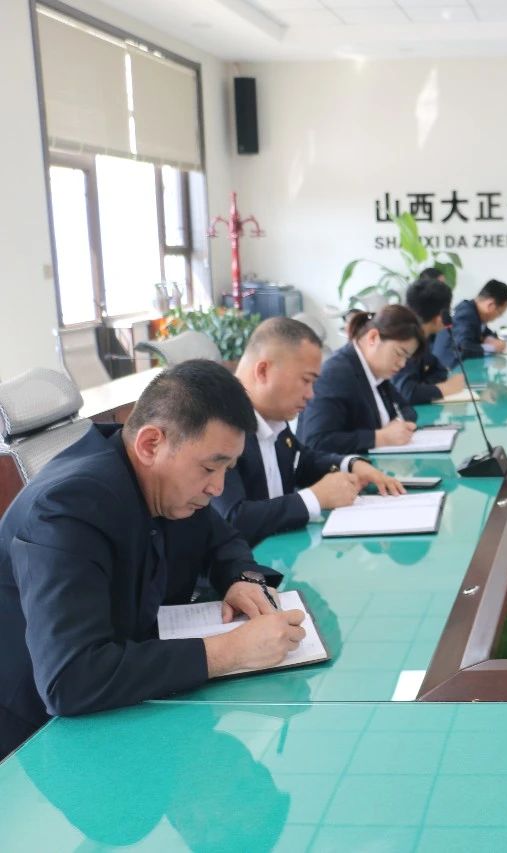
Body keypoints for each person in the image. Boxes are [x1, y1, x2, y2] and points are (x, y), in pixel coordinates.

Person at [0, 361, 307, 757]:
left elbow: (222, 540)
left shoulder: (167, 482)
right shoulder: (67, 508)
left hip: (130, 697)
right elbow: (70, 679)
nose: (217, 487)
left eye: (227, 469)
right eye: (210, 467)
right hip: (38, 736)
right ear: (150, 444)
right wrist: (230, 651)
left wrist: (240, 579)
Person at [215, 317, 405, 546]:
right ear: (263, 371)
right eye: (306, 381)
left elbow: (301, 460)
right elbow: (233, 519)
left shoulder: (273, 415)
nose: (311, 394)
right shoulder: (220, 424)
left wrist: (350, 464)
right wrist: (314, 498)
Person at [297, 304, 423, 454]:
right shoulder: (335, 375)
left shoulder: (377, 373)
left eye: (406, 358)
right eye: (399, 353)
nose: (402, 364)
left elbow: (407, 410)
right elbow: (317, 441)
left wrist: (398, 424)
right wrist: (380, 438)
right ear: (373, 337)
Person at [394, 273, 467, 404]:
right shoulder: (404, 338)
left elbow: (439, 371)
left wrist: (423, 388)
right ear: (440, 317)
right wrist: (446, 388)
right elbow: (406, 393)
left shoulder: (423, 335)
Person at [433, 279, 507, 369]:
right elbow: (464, 348)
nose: (497, 317)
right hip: (450, 369)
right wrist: (492, 348)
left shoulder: (474, 310)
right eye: (500, 313)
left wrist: (490, 338)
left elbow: (485, 331)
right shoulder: (465, 315)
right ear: (490, 305)